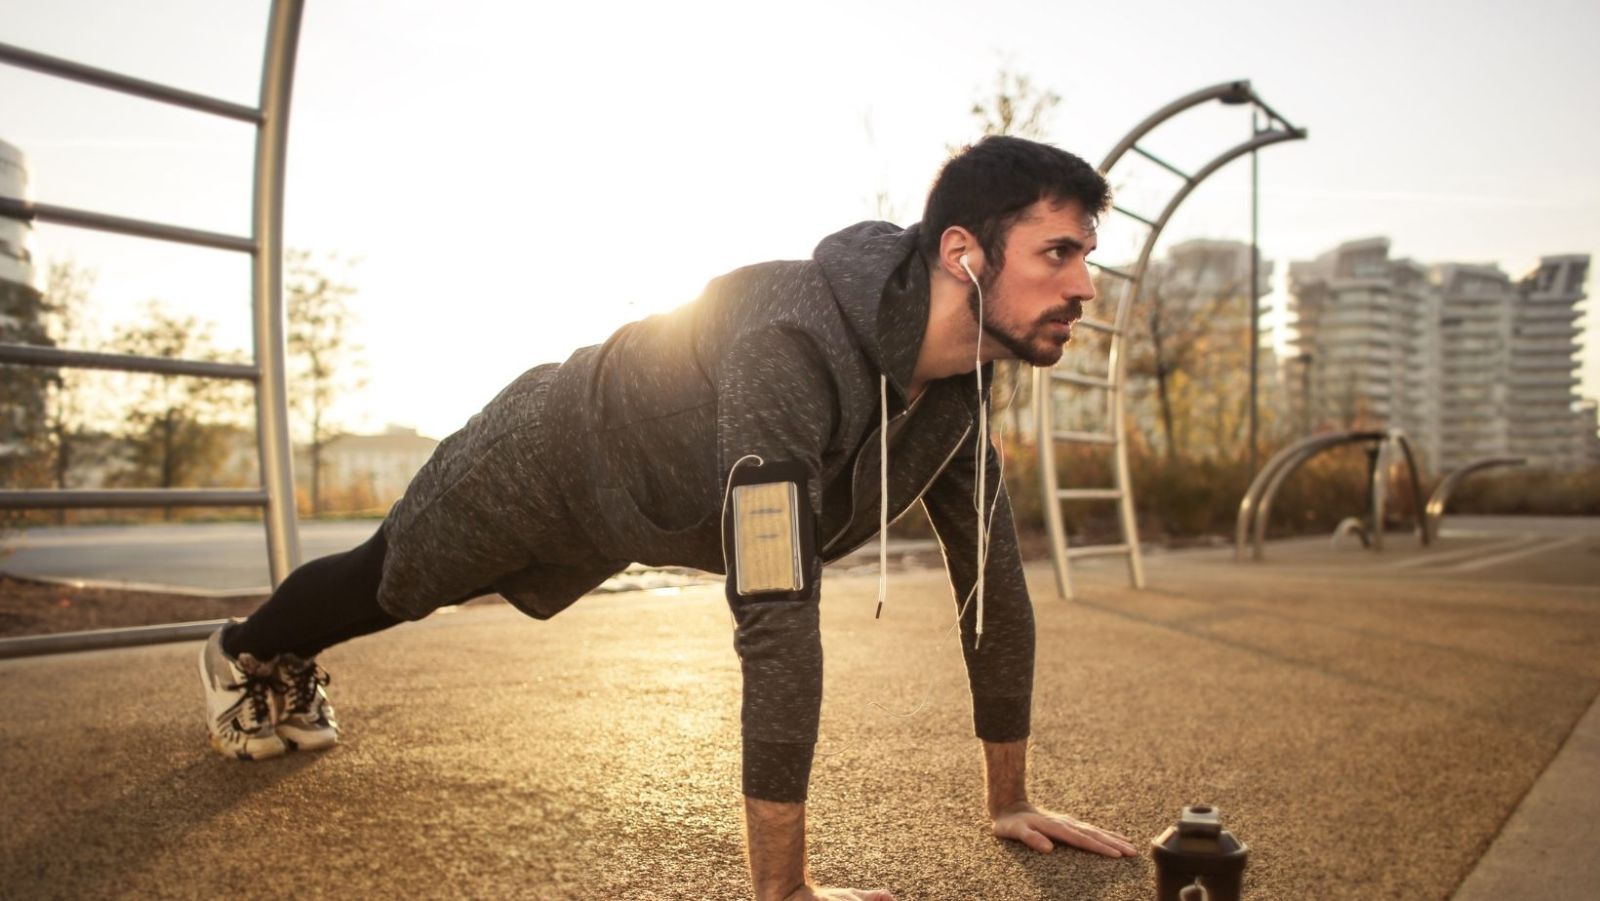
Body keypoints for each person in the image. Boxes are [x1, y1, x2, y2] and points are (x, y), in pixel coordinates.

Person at [197, 134, 1139, 900]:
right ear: (964, 253)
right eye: (1059, 253)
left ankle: (275, 651)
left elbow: (993, 582)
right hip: (549, 450)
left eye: (1087, 256)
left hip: (636, 513)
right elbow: (776, 604)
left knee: (408, 583)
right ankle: (245, 647)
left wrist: (1008, 799)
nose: (1084, 287)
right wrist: (786, 891)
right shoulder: (790, 343)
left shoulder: (960, 393)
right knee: (393, 580)